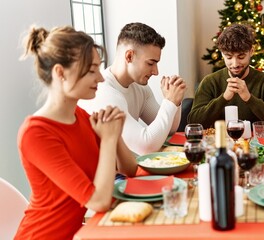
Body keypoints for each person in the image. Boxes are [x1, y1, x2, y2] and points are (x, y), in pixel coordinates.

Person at [16, 25, 137, 239]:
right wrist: (108, 139)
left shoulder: (80, 115)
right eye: (92, 70)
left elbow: (130, 169)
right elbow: (98, 201)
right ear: (60, 73)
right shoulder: (35, 134)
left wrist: (114, 133)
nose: (100, 78)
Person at [79, 22, 186, 155]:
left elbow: (169, 130)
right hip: (102, 173)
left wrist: (175, 101)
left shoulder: (139, 87)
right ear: (129, 56)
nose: (155, 71)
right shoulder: (104, 92)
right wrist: (169, 101)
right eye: (150, 63)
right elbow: (145, 147)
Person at [188, 23, 264, 129]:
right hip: (220, 143)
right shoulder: (210, 81)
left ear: (251, 51)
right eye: (229, 57)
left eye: (241, 57)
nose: (235, 64)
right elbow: (194, 123)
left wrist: (249, 98)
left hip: (258, 144)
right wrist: (224, 98)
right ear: (222, 54)